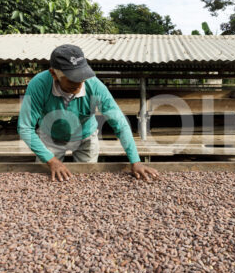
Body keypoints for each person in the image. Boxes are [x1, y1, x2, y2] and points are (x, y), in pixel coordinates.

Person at [18, 44, 159, 181]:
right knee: (45, 178)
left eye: (82, 78)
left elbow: (120, 123)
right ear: (54, 74)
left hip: (85, 137)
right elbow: (25, 127)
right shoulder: (38, 85)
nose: (79, 85)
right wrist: (51, 160)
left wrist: (136, 161)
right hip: (50, 136)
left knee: (86, 178)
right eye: (73, 79)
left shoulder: (95, 86)